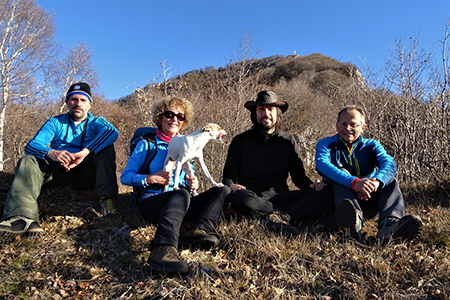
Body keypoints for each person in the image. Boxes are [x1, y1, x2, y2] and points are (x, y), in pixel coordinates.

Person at [121, 96, 230, 274]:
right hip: (155, 201)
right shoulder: (147, 144)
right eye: (169, 114)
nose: (174, 119)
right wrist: (150, 179)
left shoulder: (189, 144)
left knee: (222, 190)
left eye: (180, 116)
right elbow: (125, 177)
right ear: (160, 117)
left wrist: (193, 182)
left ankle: (198, 231)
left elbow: (188, 175)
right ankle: (162, 249)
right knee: (179, 194)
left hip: (183, 202)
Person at [0, 82, 119, 244]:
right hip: (58, 171)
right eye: (73, 99)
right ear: (67, 102)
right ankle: (21, 217)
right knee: (28, 160)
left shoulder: (97, 122)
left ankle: (107, 199)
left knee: (105, 146)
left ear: (90, 104)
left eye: (83, 100)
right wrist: (51, 152)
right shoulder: (55, 123)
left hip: (87, 174)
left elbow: (112, 132)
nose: (78, 104)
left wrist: (84, 152)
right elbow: (31, 146)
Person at [222, 91, 334, 235]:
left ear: (277, 113)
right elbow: (228, 176)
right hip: (252, 197)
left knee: (327, 193)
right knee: (239, 198)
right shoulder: (240, 141)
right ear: (255, 113)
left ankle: (274, 219)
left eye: (270, 109)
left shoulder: (287, 141)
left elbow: (298, 177)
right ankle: (290, 219)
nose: (266, 113)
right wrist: (231, 186)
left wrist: (312, 186)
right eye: (261, 109)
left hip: (282, 197)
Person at [315, 105, 423, 242]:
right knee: (339, 174)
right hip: (342, 204)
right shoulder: (326, 144)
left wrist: (375, 182)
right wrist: (354, 183)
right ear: (337, 126)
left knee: (389, 180)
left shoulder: (372, 145)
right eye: (343, 124)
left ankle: (389, 225)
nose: (348, 128)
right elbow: (322, 164)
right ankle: (353, 226)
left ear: (363, 128)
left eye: (353, 124)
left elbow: (389, 164)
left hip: (368, 198)